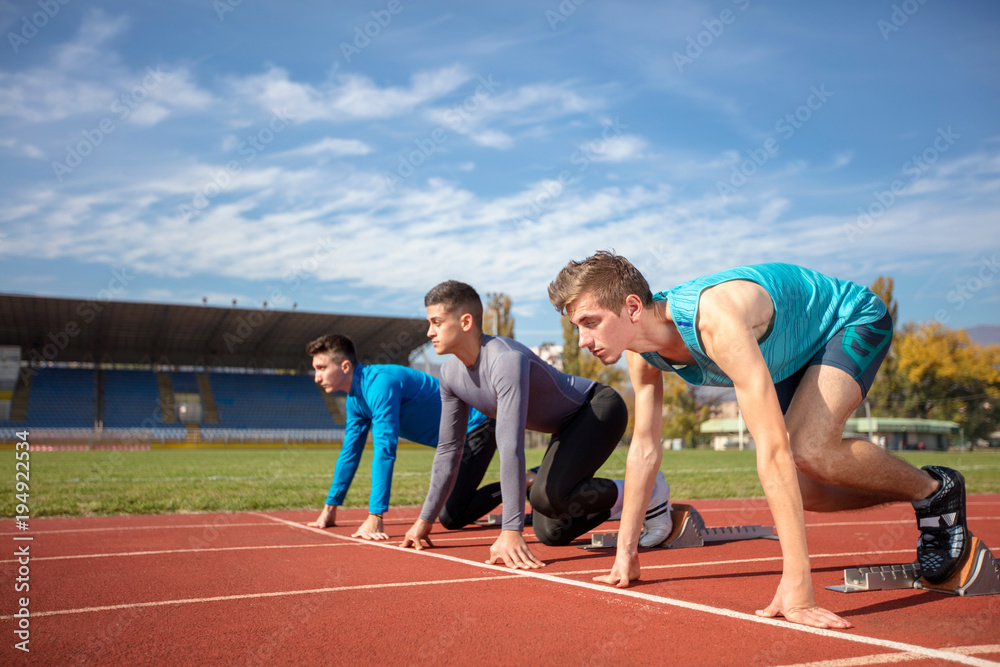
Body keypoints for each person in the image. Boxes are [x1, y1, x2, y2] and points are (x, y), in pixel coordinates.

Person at [548, 252, 969, 630]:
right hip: (787, 355)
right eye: (576, 326)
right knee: (807, 491)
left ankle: (935, 491)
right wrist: (627, 553)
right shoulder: (642, 354)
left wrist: (799, 586)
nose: (583, 340)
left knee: (807, 448)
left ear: (632, 307)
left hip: (844, 320)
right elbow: (644, 448)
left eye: (590, 322)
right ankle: (922, 490)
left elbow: (771, 448)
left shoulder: (714, 322)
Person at [401, 281, 672, 568]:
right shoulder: (450, 375)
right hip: (563, 428)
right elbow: (448, 450)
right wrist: (424, 521)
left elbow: (510, 446)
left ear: (465, 322)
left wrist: (511, 531)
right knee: (551, 532)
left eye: (436, 322)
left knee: (548, 496)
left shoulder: (506, 359)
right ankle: (618, 500)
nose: (429, 332)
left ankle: (650, 490)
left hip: (597, 408)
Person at [307, 334, 501, 539]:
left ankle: (524, 480)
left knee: (452, 516)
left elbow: (384, 450)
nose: (316, 377)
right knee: (452, 509)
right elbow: (349, 454)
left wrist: (375, 516)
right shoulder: (355, 401)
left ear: (345, 366)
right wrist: (330, 507)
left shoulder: (381, 385)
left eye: (322, 368)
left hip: (478, 424)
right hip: (455, 441)